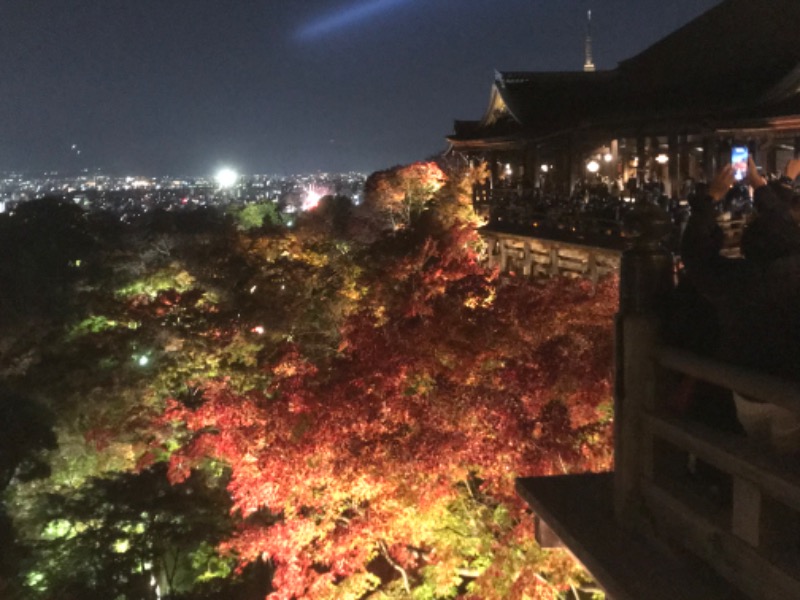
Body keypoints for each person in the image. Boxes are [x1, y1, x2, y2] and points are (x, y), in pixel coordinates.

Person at [681, 157, 800, 452]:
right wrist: (764, 186)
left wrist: (711, 198)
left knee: (756, 454)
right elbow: (781, 224)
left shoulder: (735, 279)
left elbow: (695, 252)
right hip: (790, 385)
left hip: (745, 386)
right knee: (787, 462)